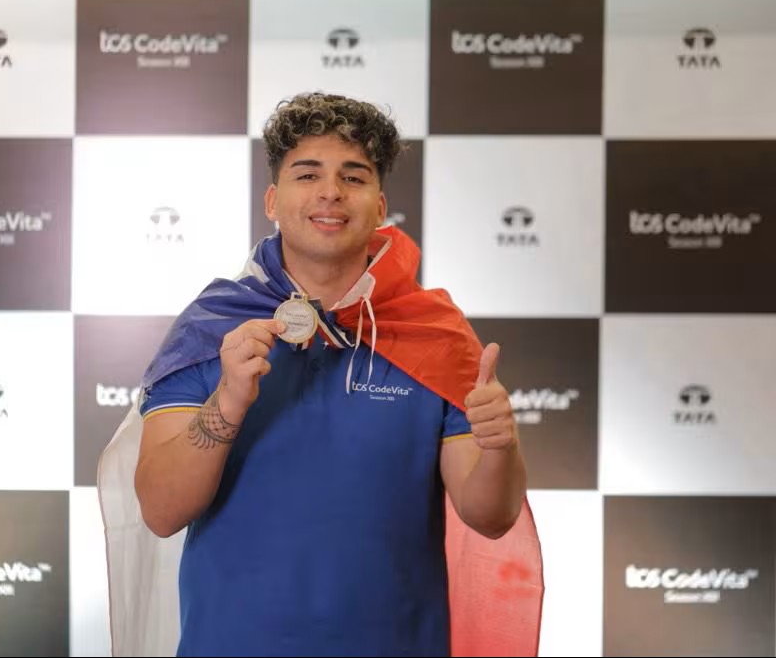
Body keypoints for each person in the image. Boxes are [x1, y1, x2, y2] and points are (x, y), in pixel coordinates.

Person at [97, 92, 544, 657]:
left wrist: (500, 447)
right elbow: (161, 511)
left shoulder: (433, 334)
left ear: (380, 207)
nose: (331, 192)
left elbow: (491, 516)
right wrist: (227, 402)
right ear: (273, 200)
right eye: (307, 174)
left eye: (353, 177)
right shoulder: (213, 328)